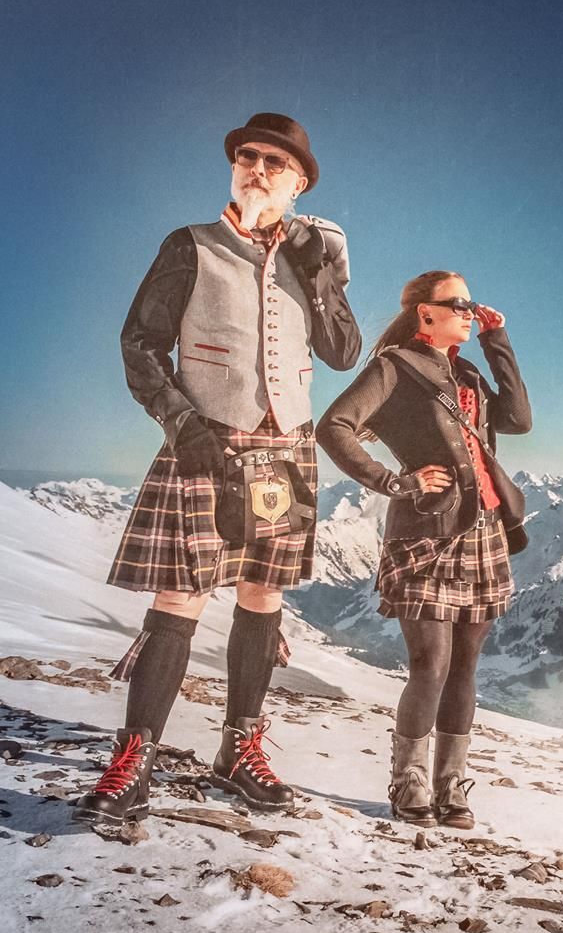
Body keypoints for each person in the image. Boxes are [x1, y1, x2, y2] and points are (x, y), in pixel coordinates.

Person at [80, 112, 362, 838]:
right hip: (206, 440)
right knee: (180, 595)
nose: (256, 169)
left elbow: (341, 351)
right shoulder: (191, 245)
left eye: (274, 162)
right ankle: (135, 758)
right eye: (247, 157)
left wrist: (319, 273)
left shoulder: (316, 258)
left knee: (263, 594)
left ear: (299, 184)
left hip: (286, 446)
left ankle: (239, 750)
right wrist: (182, 424)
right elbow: (140, 344)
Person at [316, 269, 530, 828]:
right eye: (458, 303)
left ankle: (450, 785)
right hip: (426, 534)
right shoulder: (393, 368)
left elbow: (518, 420)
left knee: (464, 665)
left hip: (485, 529)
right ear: (425, 312)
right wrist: (395, 482)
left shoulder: (468, 372)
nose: (469, 311)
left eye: (472, 304)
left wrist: (497, 341)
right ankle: (408, 780)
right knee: (429, 663)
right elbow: (333, 427)